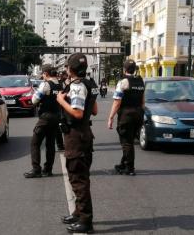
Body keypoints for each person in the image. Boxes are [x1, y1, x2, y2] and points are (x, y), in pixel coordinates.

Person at [57, 53, 98, 234]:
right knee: (80, 176)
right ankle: (78, 212)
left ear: (71, 69)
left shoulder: (77, 87)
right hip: (84, 134)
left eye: (67, 67)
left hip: (76, 136)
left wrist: (60, 100)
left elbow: (78, 113)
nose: (66, 69)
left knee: (78, 179)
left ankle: (86, 221)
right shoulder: (90, 84)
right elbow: (94, 110)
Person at [24, 64, 63, 178]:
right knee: (50, 144)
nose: (42, 76)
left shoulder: (45, 85)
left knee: (35, 143)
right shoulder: (60, 85)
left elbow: (34, 100)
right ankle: (48, 170)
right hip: (56, 116)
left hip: (45, 117)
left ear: (46, 74)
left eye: (43, 74)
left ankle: (36, 170)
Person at [107, 59, 145, 176]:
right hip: (138, 113)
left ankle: (129, 168)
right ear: (135, 69)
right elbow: (143, 100)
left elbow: (117, 102)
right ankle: (123, 164)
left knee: (126, 142)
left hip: (126, 115)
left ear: (124, 69)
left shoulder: (123, 82)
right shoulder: (140, 81)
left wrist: (111, 117)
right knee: (130, 140)